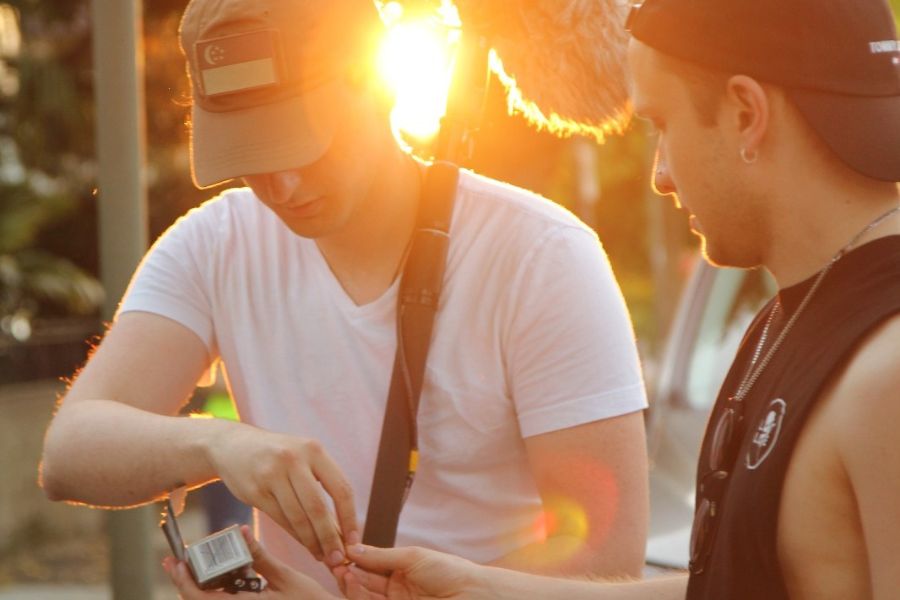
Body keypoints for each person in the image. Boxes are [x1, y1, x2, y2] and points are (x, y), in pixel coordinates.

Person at [161, 0, 900, 597]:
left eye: (661, 127)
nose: (660, 176)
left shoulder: (885, 373)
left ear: (746, 113)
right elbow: (727, 587)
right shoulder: (796, 318)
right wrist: (477, 588)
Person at [39, 0, 651, 593]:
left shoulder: (541, 255)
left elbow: (606, 557)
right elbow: (69, 452)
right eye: (251, 153)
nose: (282, 183)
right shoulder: (216, 243)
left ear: (376, 83)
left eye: (303, 142)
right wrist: (221, 444)